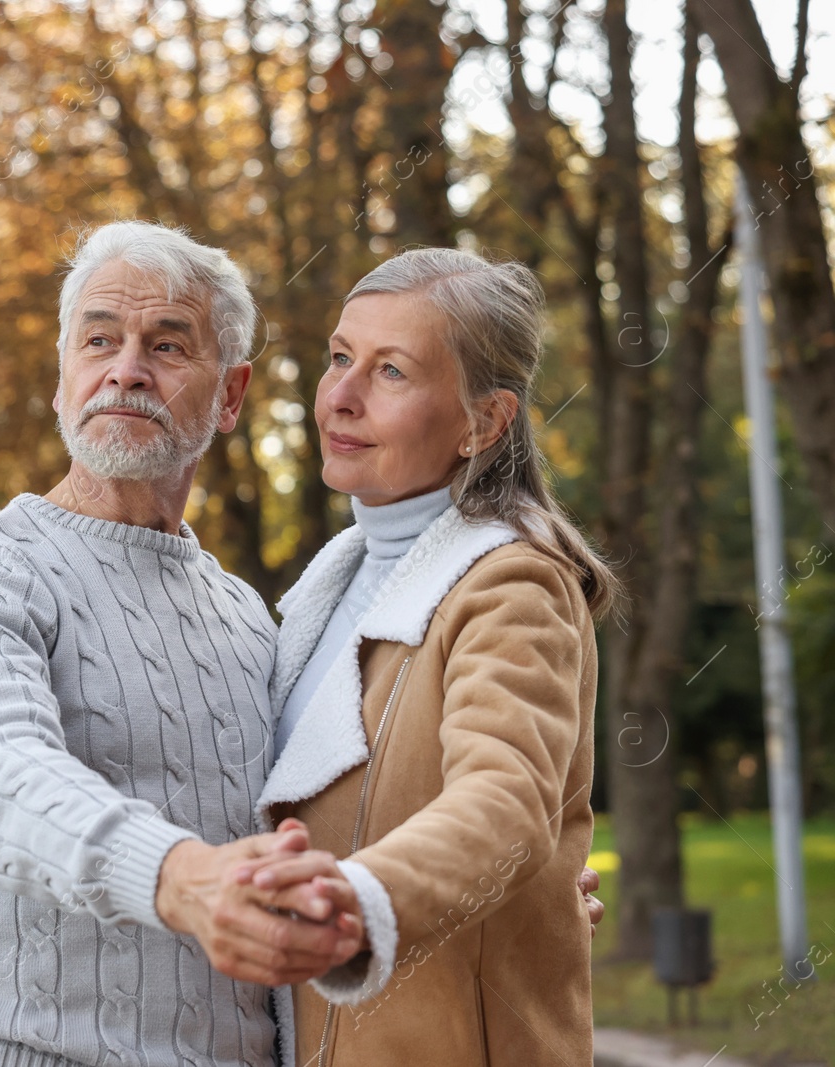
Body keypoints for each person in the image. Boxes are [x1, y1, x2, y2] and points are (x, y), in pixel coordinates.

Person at [0, 221, 363, 1067]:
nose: (126, 368)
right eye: (99, 338)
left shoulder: (251, 619)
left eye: (168, 345)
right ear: (65, 380)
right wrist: (181, 879)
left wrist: (472, 896)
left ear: (231, 395)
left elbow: (311, 826)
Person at [238, 247, 614, 1067]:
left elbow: (507, 803)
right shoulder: (334, 585)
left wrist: (355, 900)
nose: (339, 395)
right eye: (341, 357)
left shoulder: (511, 581)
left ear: (485, 420)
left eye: (391, 371)